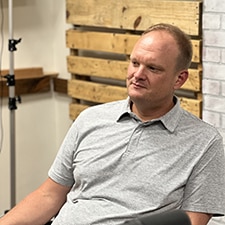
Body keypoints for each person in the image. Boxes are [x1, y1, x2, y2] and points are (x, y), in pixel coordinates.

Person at [0, 23, 225, 225]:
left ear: (179, 79)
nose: (137, 74)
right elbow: (49, 195)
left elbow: (192, 222)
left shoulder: (205, 143)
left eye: (153, 68)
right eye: (135, 63)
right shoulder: (90, 119)